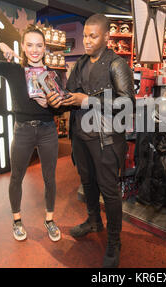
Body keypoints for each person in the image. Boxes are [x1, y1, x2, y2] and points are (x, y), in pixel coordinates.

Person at [47, 14, 135, 268]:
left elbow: (128, 104)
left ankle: (114, 241)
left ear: (107, 37)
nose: (86, 41)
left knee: (109, 192)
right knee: (88, 184)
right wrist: (57, 101)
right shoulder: (81, 63)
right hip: (81, 137)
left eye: (93, 36)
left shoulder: (117, 65)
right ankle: (94, 221)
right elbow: (70, 95)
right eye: (85, 35)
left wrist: (87, 101)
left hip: (106, 140)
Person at [0, 25, 62, 242]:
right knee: (16, 177)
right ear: (23, 47)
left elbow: (62, 107)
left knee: (49, 178)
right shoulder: (13, 70)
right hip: (23, 131)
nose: (34, 50)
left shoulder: (52, 75)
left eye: (39, 45)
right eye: (30, 45)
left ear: (45, 48)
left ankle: (50, 220)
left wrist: (50, 103)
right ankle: (17, 220)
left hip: (48, 131)